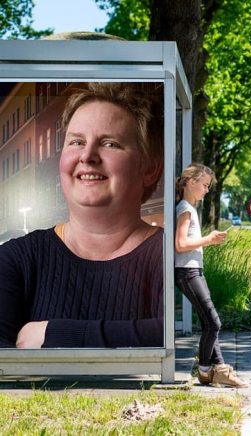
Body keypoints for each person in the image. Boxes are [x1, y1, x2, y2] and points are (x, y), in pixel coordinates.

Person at [0, 82, 164, 349]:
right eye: (76, 142)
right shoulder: (16, 260)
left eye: (110, 143)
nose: (87, 156)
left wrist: (55, 334)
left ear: (150, 169)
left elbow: (176, 335)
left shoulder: (168, 256)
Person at [175, 163, 247, 388]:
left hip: (194, 270)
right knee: (213, 323)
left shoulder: (188, 207)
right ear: (191, 182)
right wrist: (209, 239)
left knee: (210, 322)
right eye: (205, 185)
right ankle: (206, 370)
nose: (207, 190)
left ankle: (217, 370)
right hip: (187, 272)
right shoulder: (185, 208)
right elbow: (180, 244)